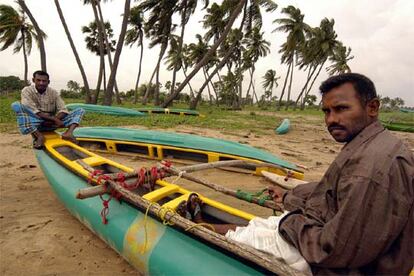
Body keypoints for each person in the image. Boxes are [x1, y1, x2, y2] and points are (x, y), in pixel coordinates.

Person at [179, 73, 414, 275]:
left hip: (346, 268)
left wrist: (292, 221)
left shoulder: (369, 167)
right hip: (357, 250)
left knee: (257, 236)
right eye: (326, 111)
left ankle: (199, 230)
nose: (331, 119)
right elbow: (334, 190)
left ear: (372, 107)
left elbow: (334, 249)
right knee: (266, 223)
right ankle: (203, 224)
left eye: (341, 109)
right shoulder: (376, 144)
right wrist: (290, 196)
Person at [11, 70, 85, 149]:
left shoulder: (54, 92)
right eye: (38, 80)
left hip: (52, 123)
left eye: (44, 81)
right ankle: (39, 136)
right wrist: (53, 119)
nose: (41, 83)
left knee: (80, 110)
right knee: (16, 105)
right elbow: (33, 110)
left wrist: (54, 120)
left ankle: (68, 133)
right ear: (33, 80)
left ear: (48, 82)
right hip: (36, 122)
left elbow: (63, 109)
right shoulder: (27, 91)